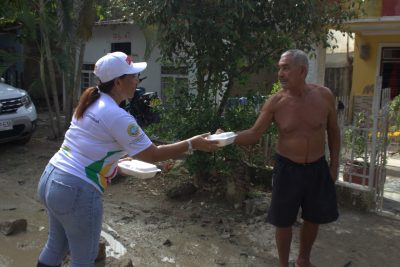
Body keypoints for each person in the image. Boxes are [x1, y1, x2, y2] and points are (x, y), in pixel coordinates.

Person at [36, 51, 219, 267]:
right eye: (133, 76)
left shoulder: (91, 102)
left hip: (51, 178)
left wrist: (116, 164)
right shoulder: (117, 115)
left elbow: (88, 148)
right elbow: (153, 154)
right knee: (83, 260)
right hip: (76, 190)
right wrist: (192, 143)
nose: (137, 80)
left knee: (55, 247)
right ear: (118, 82)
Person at [229, 49, 340, 267]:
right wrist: (227, 137)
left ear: (302, 71)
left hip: (317, 167)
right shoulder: (276, 102)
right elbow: (253, 134)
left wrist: (334, 164)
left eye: (286, 68)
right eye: (279, 68)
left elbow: (333, 131)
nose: (280, 73)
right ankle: (283, 264)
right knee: (283, 220)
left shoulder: (324, 96)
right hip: (287, 168)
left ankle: (303, 259)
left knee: (313, 217)